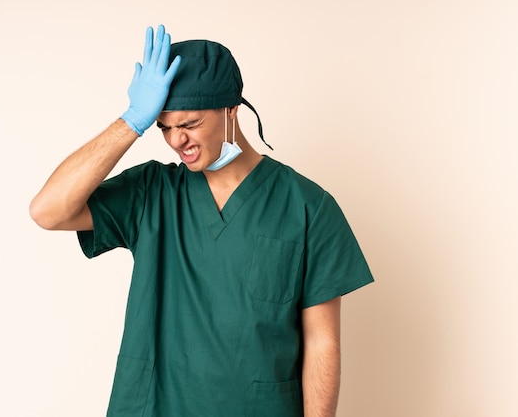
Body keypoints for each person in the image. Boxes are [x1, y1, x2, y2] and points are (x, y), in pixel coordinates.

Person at [30, 25, 374, 417]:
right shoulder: (151, 193)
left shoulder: (308, 206)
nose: (178, 141)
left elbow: (321, 342)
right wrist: (131, 122)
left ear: (231, 110)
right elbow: (48, 210)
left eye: (190, 124)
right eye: (165, 128)